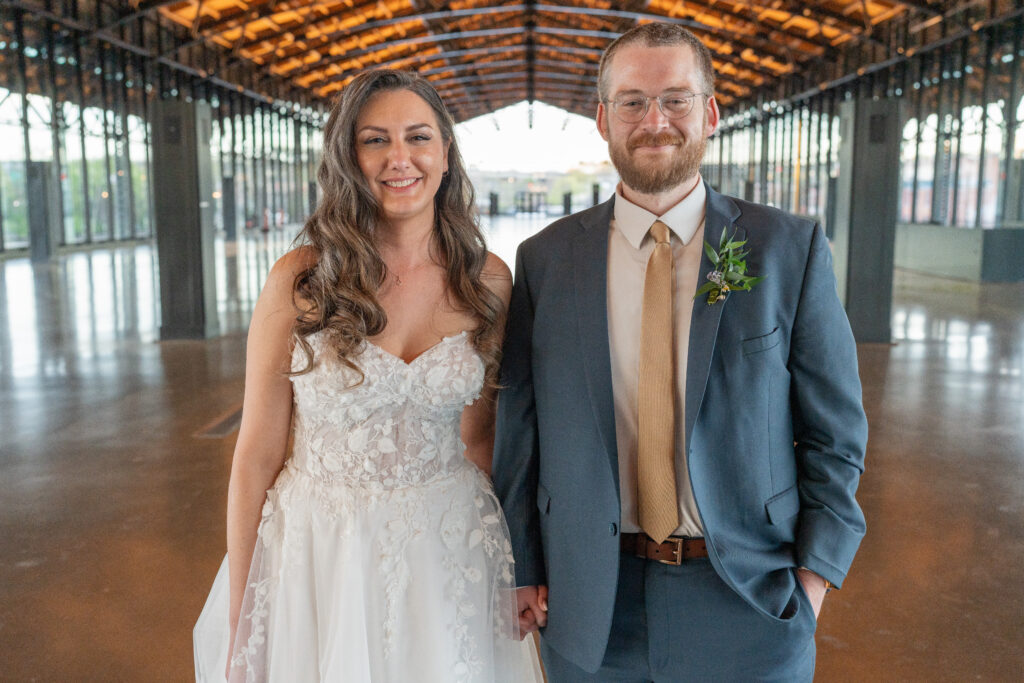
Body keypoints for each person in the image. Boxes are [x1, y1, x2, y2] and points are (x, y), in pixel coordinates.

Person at [493, 22, 869, 681]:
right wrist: (524, 565)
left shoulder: (785, 249)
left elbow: (835, 434)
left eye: (676, 98)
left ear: (711, 112)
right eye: (633, 101)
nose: (655, 120)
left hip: (749, 598)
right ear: (603, 118)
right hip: (591, 606)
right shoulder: (546, 260)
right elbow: (520, 430)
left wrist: (812, 582)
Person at [193, 69, 543, 682]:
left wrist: (516, 565)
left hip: (450, 548)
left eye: (418, 137)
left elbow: (483, 438)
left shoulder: (486, 279)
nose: (399, 158)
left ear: (445, 152)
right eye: (374, 140)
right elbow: (256, 455)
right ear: (347, 156)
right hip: (320, 551)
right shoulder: (302, 279)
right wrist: (245, 611)